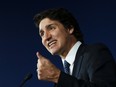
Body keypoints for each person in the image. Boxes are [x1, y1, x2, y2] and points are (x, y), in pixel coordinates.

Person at [33, 8, 116, 87]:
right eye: (42, 34)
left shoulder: (95, 53)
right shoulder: (62, 77)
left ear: (69, 28)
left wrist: (57, 76)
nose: (46, 37)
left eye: (51, 28)